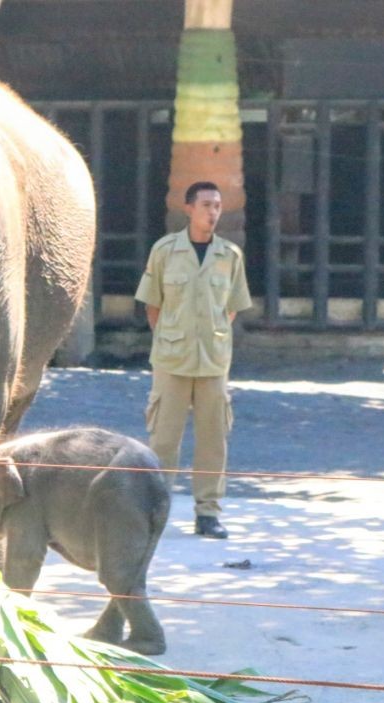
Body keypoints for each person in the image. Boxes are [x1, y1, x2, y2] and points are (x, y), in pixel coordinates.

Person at [133, 181, 252, 539]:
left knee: (213, 441)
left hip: (213, 363)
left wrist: (207, 338)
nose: (213, 212)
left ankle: (208, 513)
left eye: (217, 205)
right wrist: (174, 336)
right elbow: (153, 307)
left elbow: (229, 310)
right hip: (172, 360)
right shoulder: (165, 251)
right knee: (164, 442)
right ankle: (156, 511)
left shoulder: (230, 255)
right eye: (205, 205)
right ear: (189, 209)